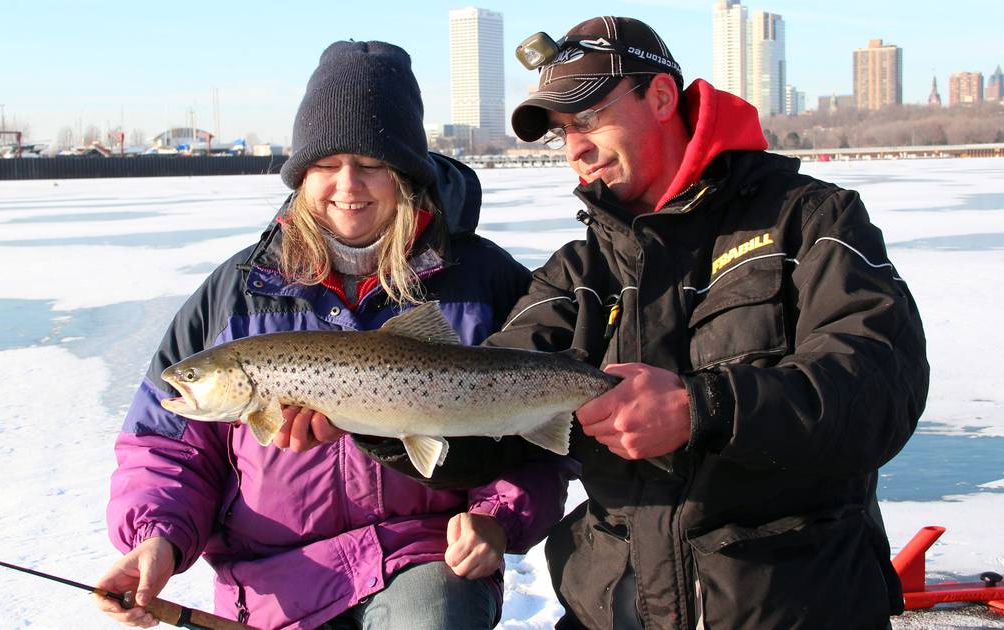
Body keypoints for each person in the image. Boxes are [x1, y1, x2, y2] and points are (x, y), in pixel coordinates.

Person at [358, 16, 929, 630]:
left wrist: (701, 407)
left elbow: (879, 386)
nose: (574, 147)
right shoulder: (575, 273)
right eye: (561, 132)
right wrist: (368, 418)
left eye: (587, 118)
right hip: (615, 605)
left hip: (791, 604)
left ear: (659, 97)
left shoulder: (810, 220)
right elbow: (485, 422)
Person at [95, 41, 570, 630]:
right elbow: (164, 448)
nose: (348, 185)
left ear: (407, 173)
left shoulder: (485, 280)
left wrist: (497, 516)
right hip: (271, 579)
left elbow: (538, 421)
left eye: (372, 163)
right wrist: (157, 538)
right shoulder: (234, 293)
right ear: (300, 176)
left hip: (424, 557)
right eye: (324, 164)